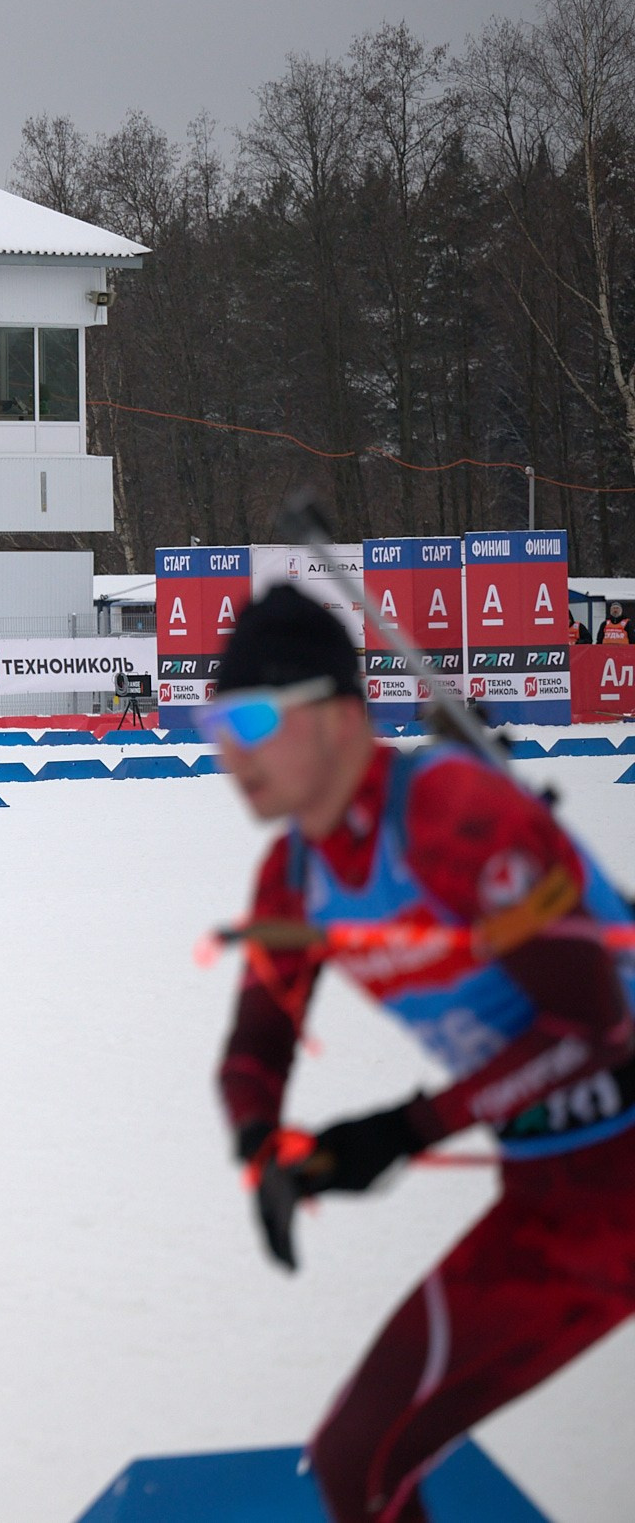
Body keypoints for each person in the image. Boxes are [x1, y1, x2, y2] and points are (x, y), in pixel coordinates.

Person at [204, 586, 635, 1523]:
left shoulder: (450, 813)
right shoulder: (297, 870)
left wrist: (403, 1129)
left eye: (251, 717)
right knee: (357, 1458)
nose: (227, 748)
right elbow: (258, 1041)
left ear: (343, 714)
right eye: (214, 722)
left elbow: (590, 1025)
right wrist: (261, 1146)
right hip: (563, 1197)